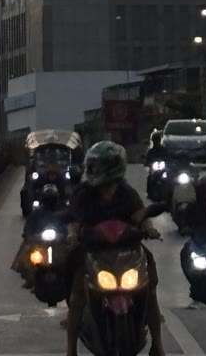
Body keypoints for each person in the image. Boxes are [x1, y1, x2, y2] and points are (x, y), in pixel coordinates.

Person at [65, 140, 165, 356]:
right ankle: (70, 350)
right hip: (94, 251)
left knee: (149, 291)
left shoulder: (126, 192)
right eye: (94, 166)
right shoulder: (83, 193)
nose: (96, 171)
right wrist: (73, 235)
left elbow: (140, 215)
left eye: (100, 166)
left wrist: (149, 229)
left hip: (128, 250)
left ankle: (158, 345)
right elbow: (74, 219)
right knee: (76, 297)